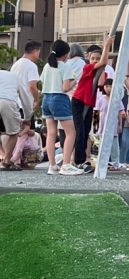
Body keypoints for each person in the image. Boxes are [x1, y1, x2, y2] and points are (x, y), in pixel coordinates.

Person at [70, 37, 114, 173]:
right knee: (80, 131)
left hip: (89, 103)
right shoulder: (87, 67)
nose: (95, 60)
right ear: (88, 58)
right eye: (93, 58)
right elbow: (103, 62)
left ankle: (82, 159)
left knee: (86, 130)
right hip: (79, 101)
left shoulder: (101, 71)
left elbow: (101, 83)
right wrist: (106, 47)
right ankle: (79, 161)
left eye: (97, 58)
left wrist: (102, 66)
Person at [40, 40, 84, 175]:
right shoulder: (64, 67)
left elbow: (42, 82)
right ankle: (66, 165)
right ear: (65, 54)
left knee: (51, 133)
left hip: (46, 98)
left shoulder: (47, 66)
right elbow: (65, 88)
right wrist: (74, 81)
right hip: (59, 99)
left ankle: (52, 166)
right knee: (71, 132)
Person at [0, 67, 34, 169]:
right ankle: (6, 161)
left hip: (6, 100)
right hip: (7, 102)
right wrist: (27, 118)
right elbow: (26, 99)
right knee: (13, 133)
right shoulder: (15, 77)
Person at [95, 79, 126, 170]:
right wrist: (96, 126)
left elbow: (120, 113)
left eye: (110, 86)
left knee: (114, 146)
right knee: (101, 145)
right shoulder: (101, 99)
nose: (108, 88)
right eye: (107, 86)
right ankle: (101, 163)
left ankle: (115, 163)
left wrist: (120, 125)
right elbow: (97, 113)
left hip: (113, 125)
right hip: (102, 125)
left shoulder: (117, 99)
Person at [10, 40, 42, 110]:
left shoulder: (15, 64)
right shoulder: (31, 66)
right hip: (25, 104)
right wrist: (36, 100)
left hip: (14, 101)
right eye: (39, 53)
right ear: (35, 52)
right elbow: (32, 86)